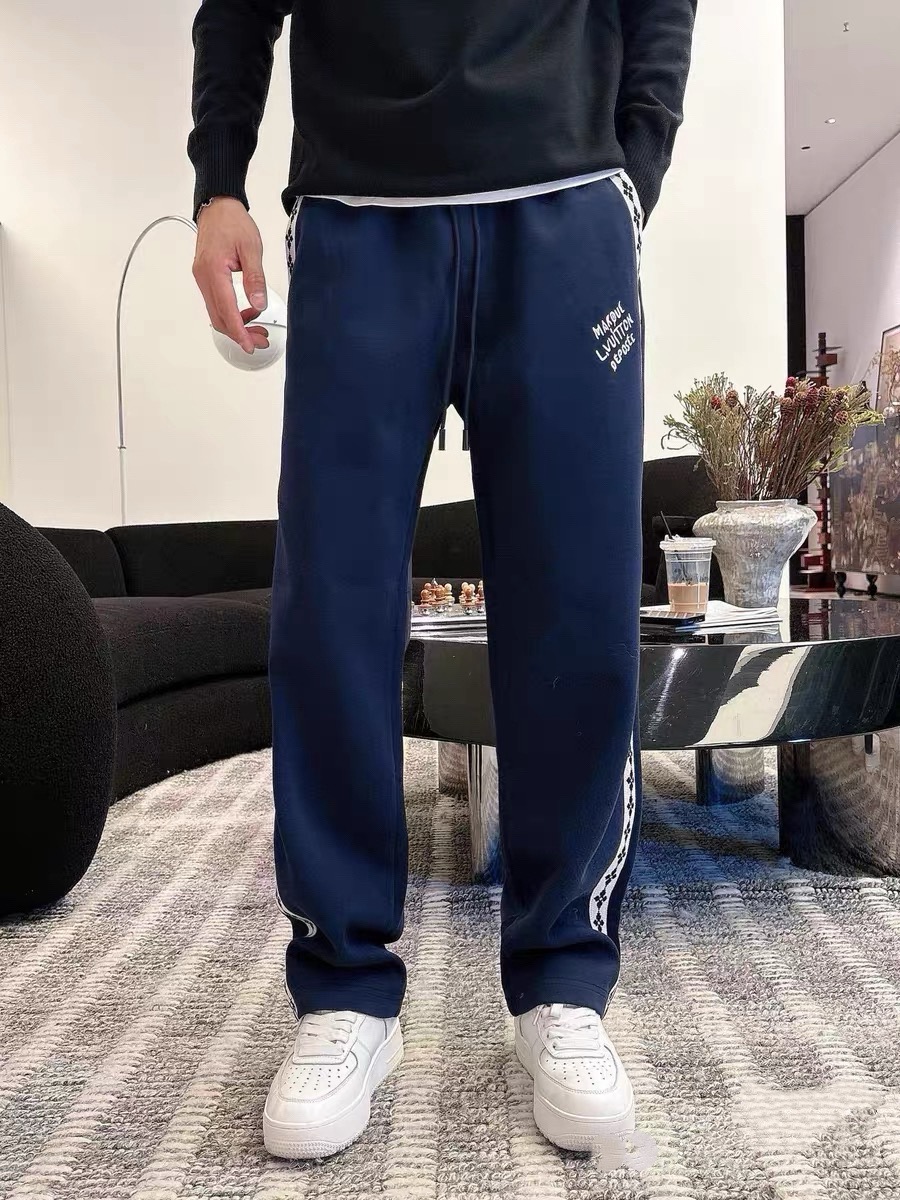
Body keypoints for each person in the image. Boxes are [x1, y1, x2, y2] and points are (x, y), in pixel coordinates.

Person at [188, 0, 695, 1161]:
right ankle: (344, 992)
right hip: (360, 211)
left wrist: (637, 164)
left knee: (575, 608)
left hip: (563, 201)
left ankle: (564, 978)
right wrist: (220, 179)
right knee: (330, 609)